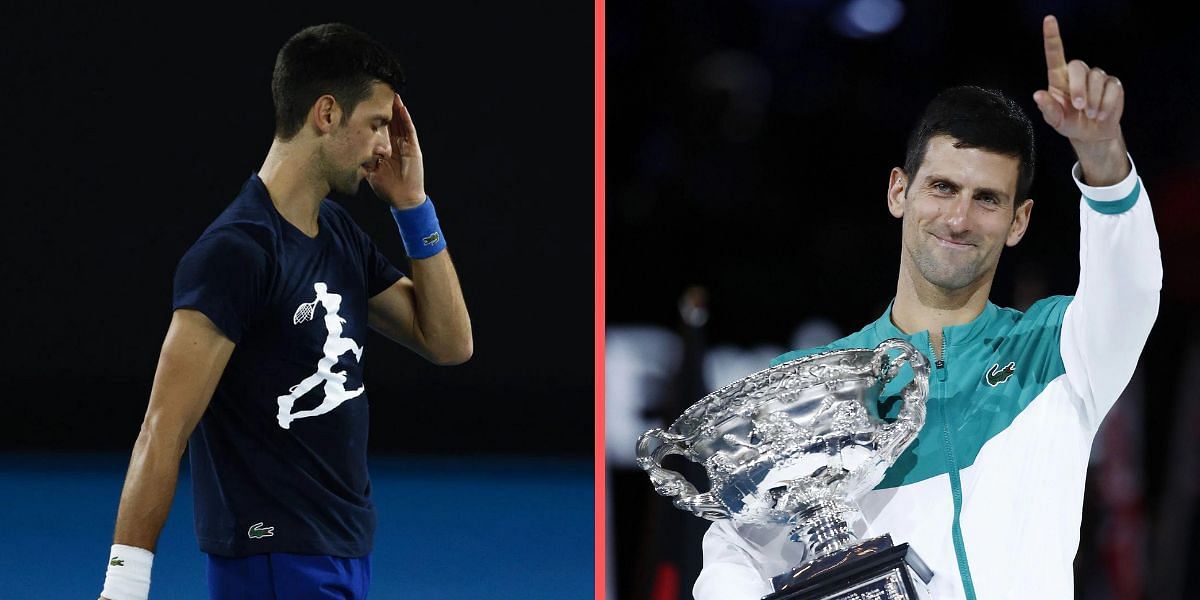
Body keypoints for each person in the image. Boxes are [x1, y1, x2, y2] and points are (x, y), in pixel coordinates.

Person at [693, 15, 1160, 600]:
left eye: (987, 199)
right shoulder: (816, 387)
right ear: (899, 191)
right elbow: (734, 551)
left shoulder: (1059, 352)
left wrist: (1103, 156)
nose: (960, 219)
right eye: (942, 187)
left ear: (1019, 222)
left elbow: (1134, 292)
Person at [98, 23, 472, 600]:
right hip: (273, 560)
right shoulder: (236, 252)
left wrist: (413, 205)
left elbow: (448, 343)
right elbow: (163, 429)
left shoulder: (339, 235)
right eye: (376, 124)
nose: (384, 147)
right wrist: (124, 586)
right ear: (326, 113)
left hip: (340, 552)